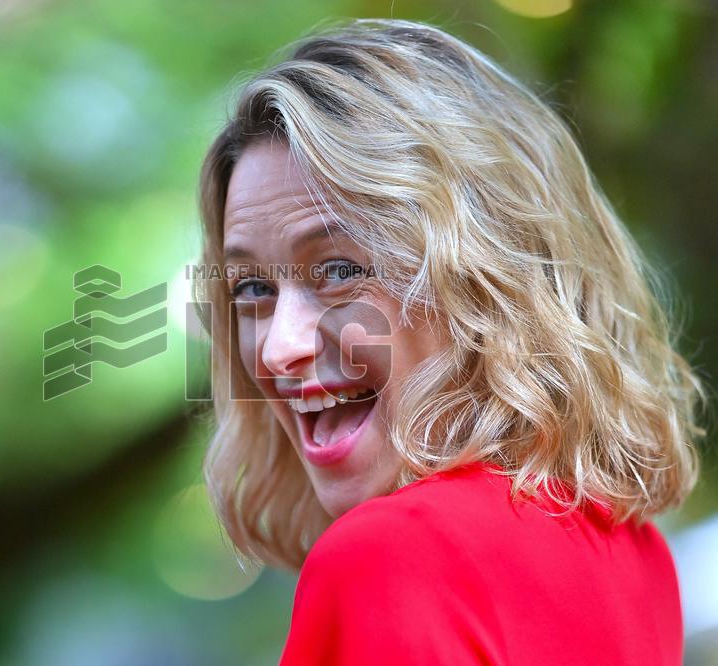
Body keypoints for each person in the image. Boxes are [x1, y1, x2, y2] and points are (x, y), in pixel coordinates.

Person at [194, 18, 705, 665]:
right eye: (251, 290)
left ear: (491, 277)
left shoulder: (387, 557)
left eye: (342, 270)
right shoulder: (630, 549)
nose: (277, 350)